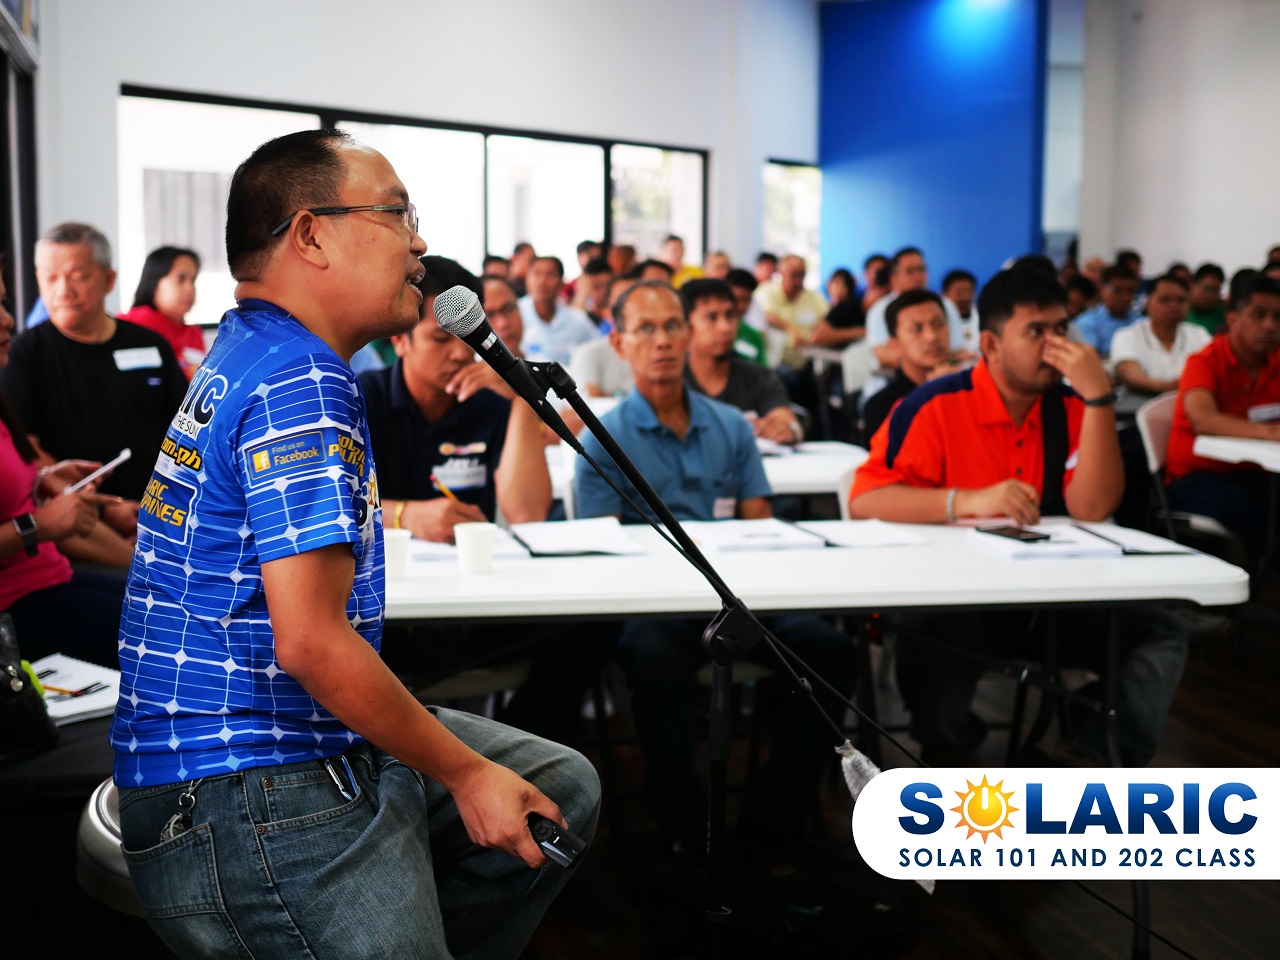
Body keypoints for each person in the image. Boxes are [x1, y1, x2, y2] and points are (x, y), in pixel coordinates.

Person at [109, 129, 599, 959]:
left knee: (559, 788)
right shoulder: (303, 378)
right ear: (311, 235)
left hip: (260, 750)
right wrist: (466, 774)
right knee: (509, 788)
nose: (420, 242)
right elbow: (311, 641)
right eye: (398, 213)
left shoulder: (251, 348)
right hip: (244, 781)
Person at [849, 267, 1188, 767]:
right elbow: (866, 499)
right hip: (953, 601)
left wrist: (1097, 398)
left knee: (1159, 631)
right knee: (931, 639)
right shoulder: (933, 406)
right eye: (1036, 332)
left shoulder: (1071, 407)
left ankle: (1088, 760)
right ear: (990, 343)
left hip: (1046, 603)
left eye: (1061, 330)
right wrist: (965, 500)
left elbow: (1093, 509)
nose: (1054, 347)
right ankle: (954, 755)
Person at [574, 280, 856, 861]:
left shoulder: (729, 425)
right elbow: (599, 552)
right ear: (620, 343)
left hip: (737, 598)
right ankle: (687, 827)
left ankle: (772, 820)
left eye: (673, 325)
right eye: (645, 329)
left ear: (690, 333)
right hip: (657, 605)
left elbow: (760, 527)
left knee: (830, 651)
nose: (663, 341)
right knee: (654, 662)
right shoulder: (602, 438)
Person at [0, 222, 188, 527]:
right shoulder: (23, 354)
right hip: (82, 524)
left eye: (78, 277)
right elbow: (26, 449)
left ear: (109, 279)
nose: (64, 291)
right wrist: (104, 509)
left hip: (163, 513)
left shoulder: (151, 345)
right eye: (50, 278)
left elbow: (184, 432)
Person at [359, 256, 552, 541]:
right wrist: (405, 516)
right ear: (400, 340)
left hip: (470, 575)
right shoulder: (362, 398)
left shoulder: (491, 400)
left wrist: (523, 399)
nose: (461, 353)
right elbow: (328, 505)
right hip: (384, 576)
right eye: (440, 339)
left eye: (468, 338)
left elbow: (528, 516)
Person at [0, 266, 127, 666]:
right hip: (17, 604)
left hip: (48, 576)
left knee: (174, 600)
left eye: (4, 303)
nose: (7, 319)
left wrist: (42, 482)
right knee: (174, 626)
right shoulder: (30, 354)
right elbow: (30, 525)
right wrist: (38, 525)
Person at [1165, 273, 1280, 557]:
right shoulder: (1203, 362)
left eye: (1277, 317)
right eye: (1259, 315)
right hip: (1197, 476)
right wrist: (1271, 433)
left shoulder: (1275, 361)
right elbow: (1203, 419)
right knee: (1265, 517)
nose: (1270, 325)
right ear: (1232, 318)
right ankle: (1261, 591)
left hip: (1256, 471)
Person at [681, 278, 804, 444]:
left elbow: (785, 419)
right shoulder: (672, 384)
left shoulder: (759, 376)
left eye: (731, 315)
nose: (725, 327)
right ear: (686, 326)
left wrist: (786, 429)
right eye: (712, 317)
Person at [860, 289, 954, 440]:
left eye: (938, 324)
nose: (932, 336)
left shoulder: (970, 389)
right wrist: (934, 394)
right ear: (894, 345)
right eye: (917, 329)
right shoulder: (881, 407)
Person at [1110, 272, 1211, 396]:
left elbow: (1213, 371)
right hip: (1141, 406)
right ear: (1147, 303)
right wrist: (1169, 387)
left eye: (1180, 300)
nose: (1174, 306)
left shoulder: (1199, 335)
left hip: (1192, 405)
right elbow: (1130, 376)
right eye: (1165, 300)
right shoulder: (1126, 336)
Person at [120, 245, 208, 380]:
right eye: (181, 278)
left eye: (193, 280)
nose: (190, 288)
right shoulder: (134, 323)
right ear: (154, 281)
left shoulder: (194, 333)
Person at [517, 255, 599, 365]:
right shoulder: (515, 314)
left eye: (550, 275)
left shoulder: (577, 320)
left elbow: (598, 350)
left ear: (561, 283)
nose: (542, 281)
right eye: (536, 274)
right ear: (527, 280)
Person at [1074, 264, 1142, 358]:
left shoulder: (1141, 323)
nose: (1125, 297)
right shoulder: (1087, 323)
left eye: (1130, 291)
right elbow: (1091, 359)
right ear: (1102, 290)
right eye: (1118, 290)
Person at [942, 268, 979, 356]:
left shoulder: (983, 316)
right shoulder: (937, 321)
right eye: (959, 292)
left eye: (969, 291)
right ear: (944, 294)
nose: (965, 298)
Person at [1186, 262, 1226, 334]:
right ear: (1192, 284)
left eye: (1216, 292)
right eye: (1207, 289)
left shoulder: (1222, 316)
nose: (1211, 296)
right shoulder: (1178, 310)